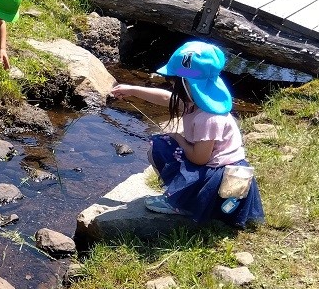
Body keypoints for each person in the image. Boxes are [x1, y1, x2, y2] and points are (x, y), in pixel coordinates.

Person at [109, 40, 265, 227]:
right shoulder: (200, 100)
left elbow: (200, 159)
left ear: (187, 84)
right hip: (215, 166)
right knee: (163, 144)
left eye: (174, 81)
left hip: (217, 176)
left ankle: (182, 203)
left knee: (162, 145)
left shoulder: (207, 119)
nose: (171, 85)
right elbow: (166, 98)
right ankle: (182, 195)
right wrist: (132, 90)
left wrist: (180, 138)